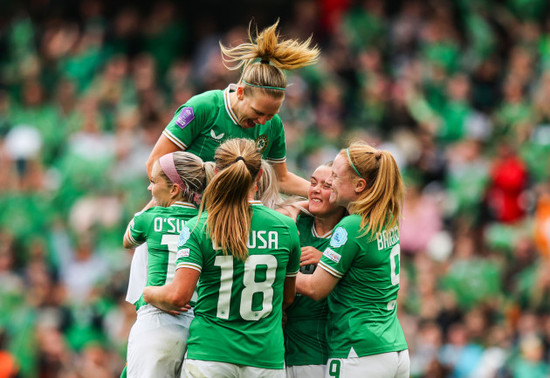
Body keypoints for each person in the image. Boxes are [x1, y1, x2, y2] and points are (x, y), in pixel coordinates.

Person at [143, 138, 301, 378]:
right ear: (259, 176)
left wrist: (148, 293)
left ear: (215, 172)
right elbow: (288, 297)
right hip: (265, 358)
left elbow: (178, 296)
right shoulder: (286, 227)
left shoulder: (198, 226)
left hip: (210, 355)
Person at [145, 20, 320, 197]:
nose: (262, 121)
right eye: (258, 112)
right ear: (241, 92)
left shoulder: (273, 125)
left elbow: (280, 179)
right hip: (191, 213)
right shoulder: (204, 107)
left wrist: (319, 194)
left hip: (237, 214)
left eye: (271, 114)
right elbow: (155, 162)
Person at [296, 141, 410, 378]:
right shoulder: (386, 216)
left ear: (359, 185)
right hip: (393, 347)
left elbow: (315, 288)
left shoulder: (350, 226)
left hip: (357, 348)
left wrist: (277, 268)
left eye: (335, 178)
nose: (331, 183)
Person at [122, 151, 214, 378]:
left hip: (156, 323)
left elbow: (127, 240)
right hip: (199, 330)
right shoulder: (211, 224)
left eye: (153, 182)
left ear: (174, 189)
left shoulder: (149, 218)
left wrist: (156, 203)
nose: (149, 189)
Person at [284, 162, 347, 378]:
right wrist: (292, 208)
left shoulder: (349, 234)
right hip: (279, 350)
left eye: (326, 185)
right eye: (312, 183)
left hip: (319, 354)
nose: (316, 189)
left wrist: (329, 264)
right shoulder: (296, 223)